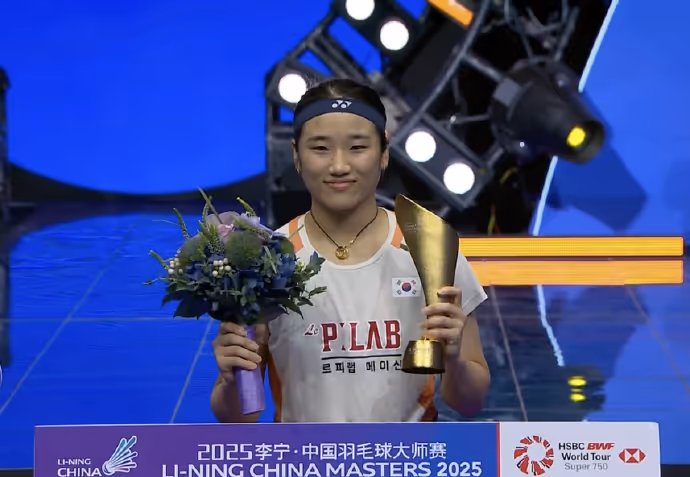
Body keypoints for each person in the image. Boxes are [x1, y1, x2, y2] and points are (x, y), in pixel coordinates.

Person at [211, 78, 490, 423]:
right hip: (307, 455)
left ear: (384, 151)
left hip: (404, 454)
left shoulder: (430, 247)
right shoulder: (266, 260)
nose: (339, 165)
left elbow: (470, 403)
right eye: (320, 148)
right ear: (296, 154)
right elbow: (239, 418)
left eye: (357, 147)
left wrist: (456, 360)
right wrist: (231, 379)